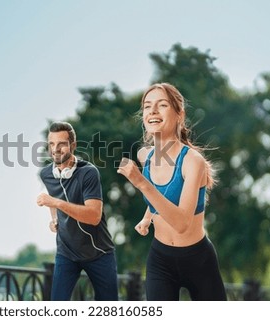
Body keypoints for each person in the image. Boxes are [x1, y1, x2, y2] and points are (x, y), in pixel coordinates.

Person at [117, 83, 227, 301]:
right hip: (161, 259)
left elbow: (181, 223)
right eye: (148, 106)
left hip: (199, 260)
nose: (153, 111)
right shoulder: (144, 156)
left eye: (162, 105)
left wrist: (140, 182)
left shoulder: (192, 161)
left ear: (179, 114)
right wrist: (147, 218)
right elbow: (162, 194)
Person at [37, 121, 118, 301]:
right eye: (51, 144)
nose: (55, 149)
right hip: (66, 252)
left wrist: (56, 203)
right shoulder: (46, 174)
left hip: (98, 252)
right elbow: (53, 197)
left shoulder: (88, 173)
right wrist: (54, 219)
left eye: (62, 144)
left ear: (73, 145)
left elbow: (94, 216)